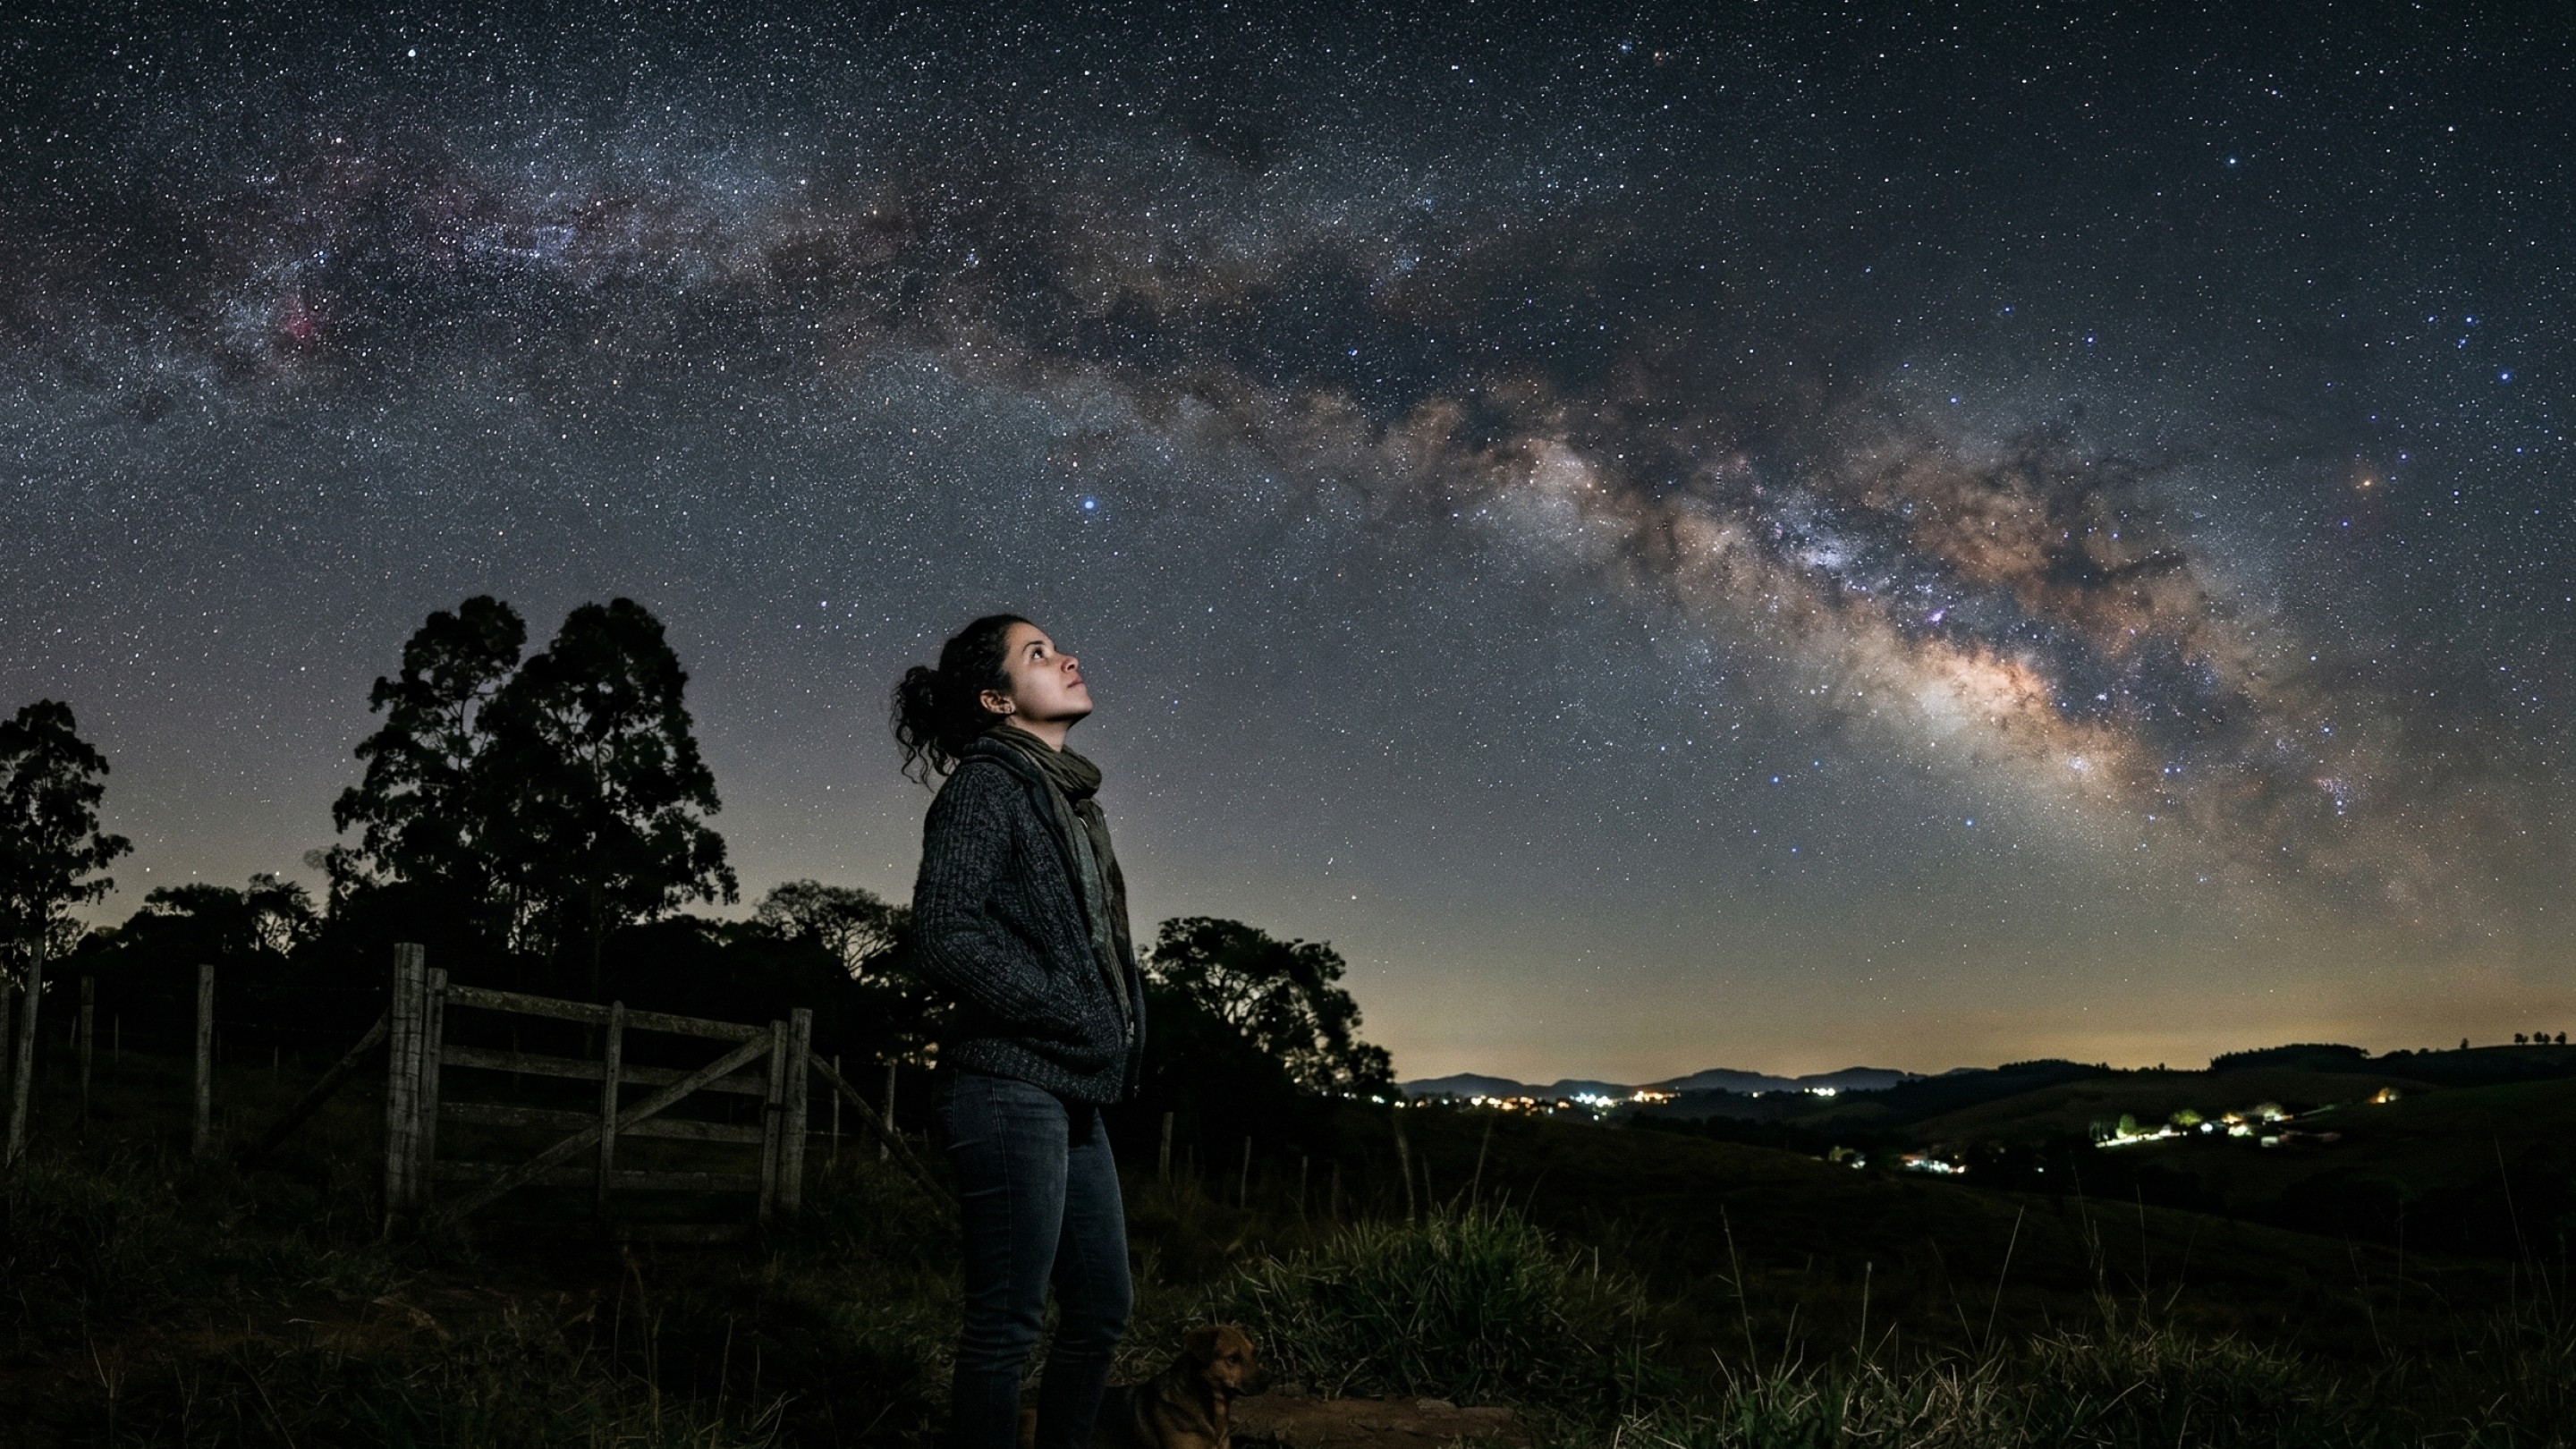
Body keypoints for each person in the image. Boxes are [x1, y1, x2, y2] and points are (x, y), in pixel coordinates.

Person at [894, 614, 1147, 1449]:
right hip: (1007, 1086)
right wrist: (1072, 1012)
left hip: (1071, 1089)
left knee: (1102, 1306)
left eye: (1058, 646)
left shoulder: (1067, 800)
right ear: (997, 699)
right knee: (1007, 1322)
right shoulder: (988, 786)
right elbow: (945, 935)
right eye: (1037, 654)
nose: (1068, 657)